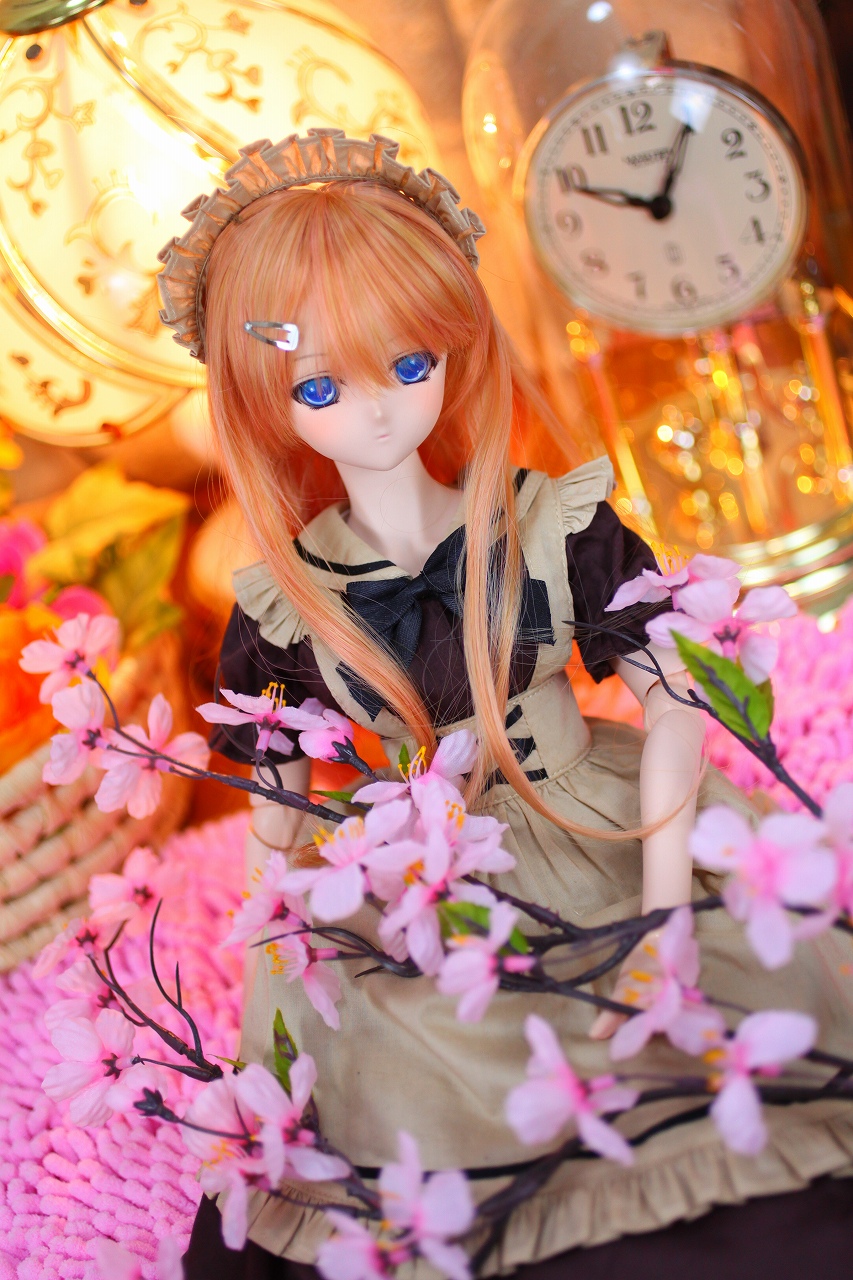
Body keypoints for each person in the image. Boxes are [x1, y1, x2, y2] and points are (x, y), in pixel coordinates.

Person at [158, 131, 853, 1277]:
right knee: (436, 1083)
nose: (376, 414)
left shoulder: (550, 522)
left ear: (453, 344)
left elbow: (673, 697)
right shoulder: (283, 603)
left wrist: (665, 904)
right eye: (319, 386)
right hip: (414, 877)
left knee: (728, 1066)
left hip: (601, 819)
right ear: (264, 402)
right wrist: (277, 959)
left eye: (408, 363)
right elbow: (271, 813)